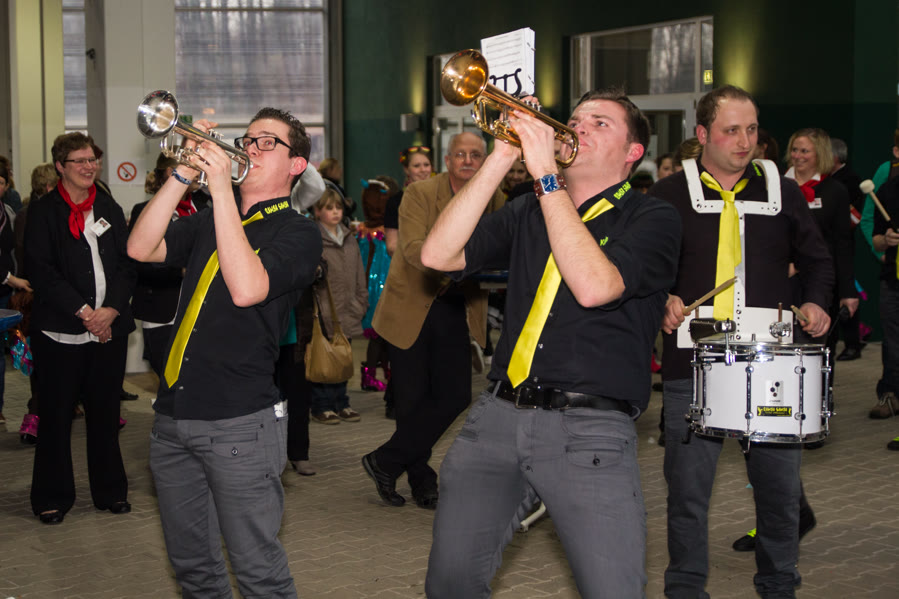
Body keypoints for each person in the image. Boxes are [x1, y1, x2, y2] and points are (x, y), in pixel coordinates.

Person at [420, 88, 681, 597]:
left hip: (590, 431)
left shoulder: (653, 218)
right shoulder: (528, 209)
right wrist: (503, 155)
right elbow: (438, 255)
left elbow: (595, 287)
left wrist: (544, 175)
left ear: (633, 152)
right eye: (576, 118)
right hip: (497, 417)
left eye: (600, 123)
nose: (578, 126)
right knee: (450, 584)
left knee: (613, 590)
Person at [127, 107, 321, 597]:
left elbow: (247, 288)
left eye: (267, 142)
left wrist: (218, 190)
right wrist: (182, 175)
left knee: (258, 573)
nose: (250, 149)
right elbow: (141, 248)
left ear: (296, 165)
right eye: (248, 139)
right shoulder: (214, 217)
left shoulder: (298, 232)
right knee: (193, 569)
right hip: (173, 415)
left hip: (239, 422)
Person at [652, 85, 833, 599]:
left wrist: (817, 302)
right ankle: (685, 588)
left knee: (779, 493)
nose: (744, 141)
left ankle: (778, 585)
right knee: (687, 495)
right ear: (702, 134)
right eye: (731, 130)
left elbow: (818, 260)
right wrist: (661, 298)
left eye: (751, 129)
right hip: (692, 363)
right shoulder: (668, 194)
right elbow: (643, 271)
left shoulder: (783, 190)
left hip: (771, 361)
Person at [361, 132, 504, 510]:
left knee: (455, 396)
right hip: (412, 305)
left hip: (457, 308)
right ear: (448, 159)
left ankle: (385, 461)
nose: (468, 160)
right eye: (461, 154)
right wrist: (457, 267)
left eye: (476, 155)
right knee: (412, 401)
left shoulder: (495, 198)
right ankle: (422, 480)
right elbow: (411, 249)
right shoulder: (420, 194)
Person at [26, 132, 136, 525]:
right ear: (60, 166)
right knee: (56, 416)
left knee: (105, 415)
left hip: (108, 330)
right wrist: (86, 312)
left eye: (93, 160)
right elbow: (40, 270)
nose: (90, 167)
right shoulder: (43, 212)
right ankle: (52, 497)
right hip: (60, 332)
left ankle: (110, 491)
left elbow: (127, 263)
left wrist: (111, 310)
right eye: (80, 161)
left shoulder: (107, 206)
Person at [129, 153, 208, 377]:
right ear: (169, 172)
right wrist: (181, 270)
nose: (197, 174)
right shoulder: (145, 211)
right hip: (162, 310)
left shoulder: (204, 207)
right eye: (192, 168)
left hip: (201, 311)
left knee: (197, 378)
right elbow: (139, 263)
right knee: (167, 375)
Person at [309, 188, 368, 424]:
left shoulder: (349, 238)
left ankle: (342, 402)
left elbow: (359, 272)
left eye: (338, 208)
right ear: (317, 211)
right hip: (325, 311)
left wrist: (361, 301)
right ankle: (321, 405)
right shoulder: (314, 238)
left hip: (349, 308)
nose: (335, 212)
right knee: (324, 357)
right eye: (329, 208)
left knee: (343, 356)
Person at [357, 176, 399, 393]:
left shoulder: (364, 231)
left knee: (382, 336)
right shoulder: (381, 232)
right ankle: (369, 375)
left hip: (374, 287)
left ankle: (384, 373)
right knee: (379, 335)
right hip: (381, 289)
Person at [0, 163, 33, 425]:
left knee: (4, 353)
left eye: (1, 182)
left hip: (4, 292)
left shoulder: (7, 211)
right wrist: (12, 278)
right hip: (7, 282)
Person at [829, 137, 866, 361]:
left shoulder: (849, 180)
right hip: (828, 248)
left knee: (847, 294)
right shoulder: (824, 180)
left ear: (834, 156)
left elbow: (854, 217)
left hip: (842, 247)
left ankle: (853, 344)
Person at [871, 168, 899, 422]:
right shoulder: (889, 190)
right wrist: (886, 239)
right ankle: (890, 394)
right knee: (892, 343)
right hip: (893, 280)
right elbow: (876, 240)